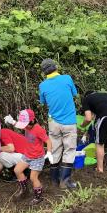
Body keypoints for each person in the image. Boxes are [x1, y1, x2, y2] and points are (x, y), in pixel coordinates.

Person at [39, 58, 78, 189]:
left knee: (55, 150)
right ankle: (65, 181)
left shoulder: (42, 85)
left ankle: (54, 180)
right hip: (69, 121)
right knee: (69, 149)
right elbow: (74, 94)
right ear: (56, 67)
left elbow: (43, 102)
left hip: (53, 122)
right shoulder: (67, 78)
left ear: (44, 72)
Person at [9, 109, 53, 205]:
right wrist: (12, 121)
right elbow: (19, 125)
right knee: (17, 170)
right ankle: (24, 190)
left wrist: (49, 152)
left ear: (32, 121)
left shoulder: (38, 130)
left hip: (37, 158)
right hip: (27, 155)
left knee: (33, 177)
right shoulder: (26, 126)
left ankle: (38, 197)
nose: (24, 127)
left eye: (25, 125)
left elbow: (48, 141)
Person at [80, 91, 107, 172]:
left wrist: (82, 126)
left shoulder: (87, 99)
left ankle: (100, 169)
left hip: (104, 117)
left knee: (99, 143)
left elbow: (88, 118)